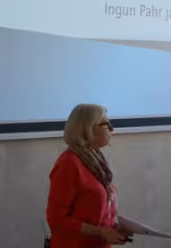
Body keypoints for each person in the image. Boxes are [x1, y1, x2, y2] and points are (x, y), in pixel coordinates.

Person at [47, 104, 130, 247]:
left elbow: (93, 214)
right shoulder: (69, 163)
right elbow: (56, 220)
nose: (112, 129)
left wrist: (113, 228)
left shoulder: (95, 159)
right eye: (106, 124)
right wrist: (101, 232)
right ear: (88, 128)